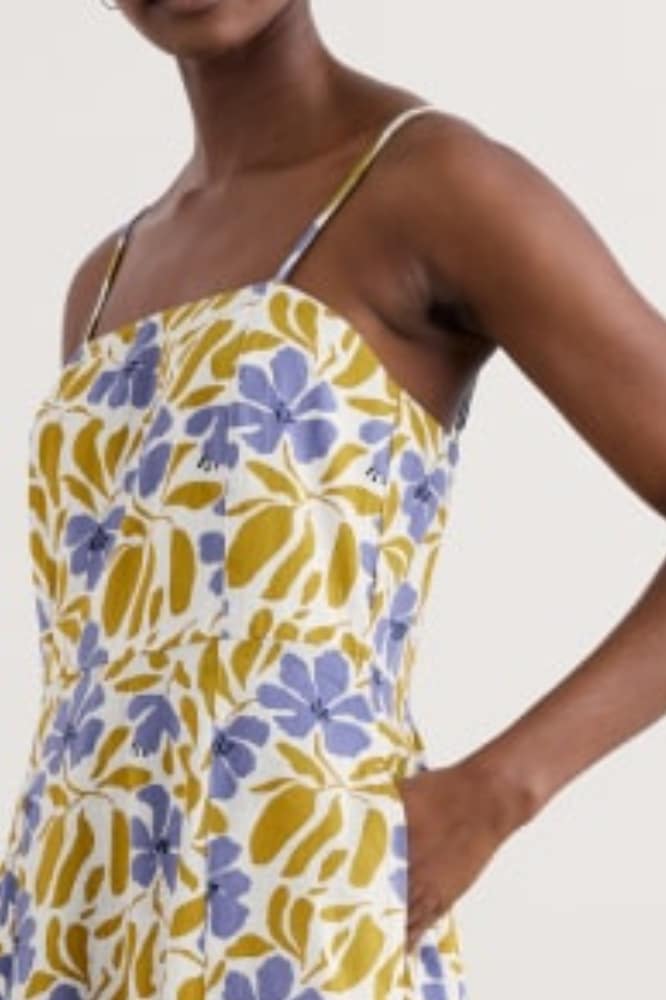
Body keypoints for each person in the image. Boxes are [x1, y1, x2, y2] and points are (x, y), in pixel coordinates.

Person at [2, 1, 665, 997]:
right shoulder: (104, 278)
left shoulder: (433, 185)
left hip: (298, 889)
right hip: (76, 902)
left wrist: (495, 794)